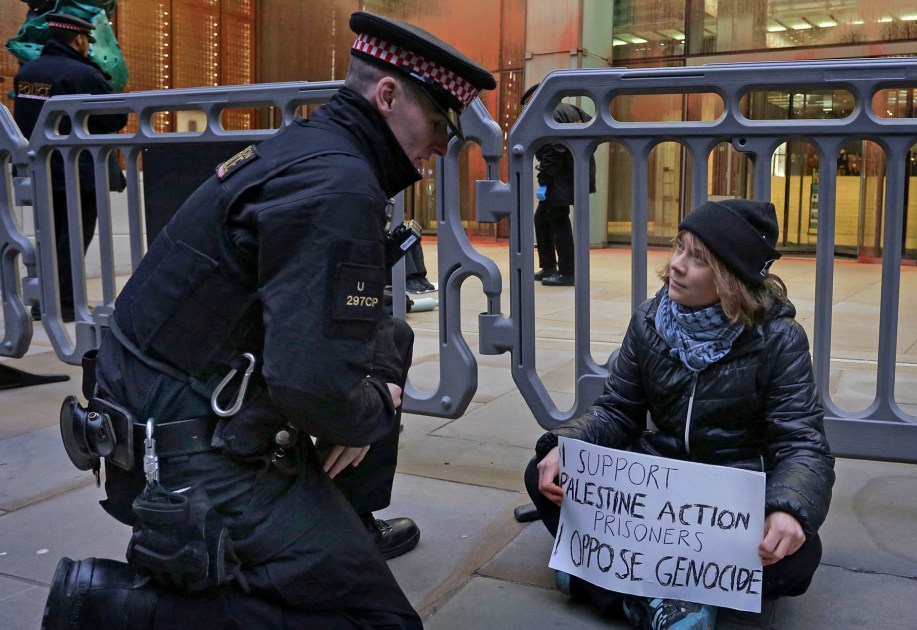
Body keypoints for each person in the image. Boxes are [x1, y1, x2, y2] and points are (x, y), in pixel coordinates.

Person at [43, 12, 495, 629]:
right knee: (378, 621)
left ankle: (335, 529)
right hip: (189, 456)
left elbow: (359, 322)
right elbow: (311, 386)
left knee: (383, 353)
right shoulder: (338, 186)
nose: (443, 145)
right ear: (388, 96)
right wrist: (371, 410)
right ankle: (114, 606)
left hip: (156, 417)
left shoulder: (311, 151)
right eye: (439, 124)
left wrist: (369, 392)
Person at [525, 199, 834, 629]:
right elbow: (617, 410)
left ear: (732, 277)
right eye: (679, 247)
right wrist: (568, 444)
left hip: (727, 503)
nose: (676, 264)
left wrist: (790, 509)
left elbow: (801, 443)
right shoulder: (650, 320)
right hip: (655, 493)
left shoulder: (780, 340)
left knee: (798, 559)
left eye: (699, 258)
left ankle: (605, 580)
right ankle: (662, 597)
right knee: (544, 472)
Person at [12, 12, 127, 322]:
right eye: (87, 40)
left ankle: (44, 303)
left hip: (41, 167)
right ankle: (65, 304)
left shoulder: (28, 73)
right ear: (78, 40)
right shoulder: (84, 74)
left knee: (48, 236)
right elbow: (115, 118)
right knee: (74, 238)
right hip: (80, 169)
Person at [520, 82, 596, 287]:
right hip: (576, 173)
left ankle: (568, 272)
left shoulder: (550, 113)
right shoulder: (571, 110)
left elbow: (554, 150)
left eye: (528, 103)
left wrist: (543, 181)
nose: (528, 108)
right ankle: (549, 266)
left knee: (558, 220)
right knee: (542, 218)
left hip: (560, 177)